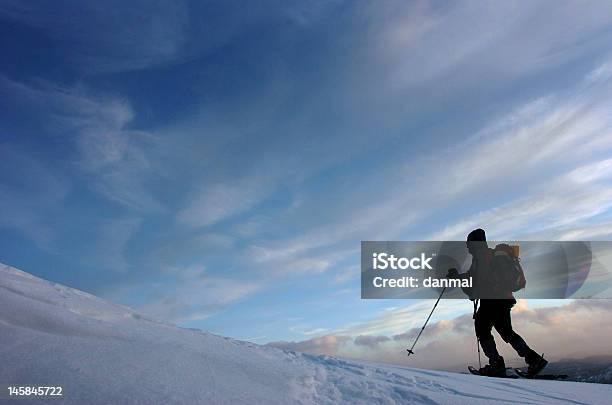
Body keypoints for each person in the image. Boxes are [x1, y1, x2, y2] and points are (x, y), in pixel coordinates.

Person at [447, 228, 547, 377]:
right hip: (503, 299)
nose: (468, 248)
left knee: (482, 329)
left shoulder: (482, 257)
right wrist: (460, 277)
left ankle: (496, 364)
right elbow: (473, 278)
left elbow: (476, 281)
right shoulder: (488, 255)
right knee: (506, 332)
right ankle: (534, 359)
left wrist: (458, 279)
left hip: (492, 300)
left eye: (469, 245)